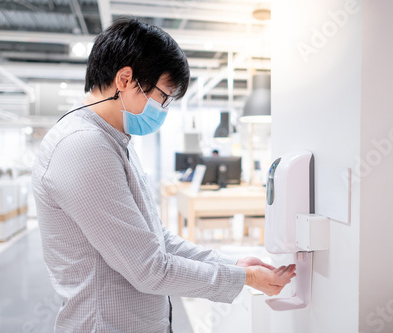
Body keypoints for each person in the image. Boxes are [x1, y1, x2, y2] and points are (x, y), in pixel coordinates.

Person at [31, 16, 296, 332]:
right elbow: (149, 268)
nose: (164, 109)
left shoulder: (114, 139)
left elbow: (154, 238)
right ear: (126, 79)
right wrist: (245, 278)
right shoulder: (83, 147)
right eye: (164, 97)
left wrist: (232, 265)